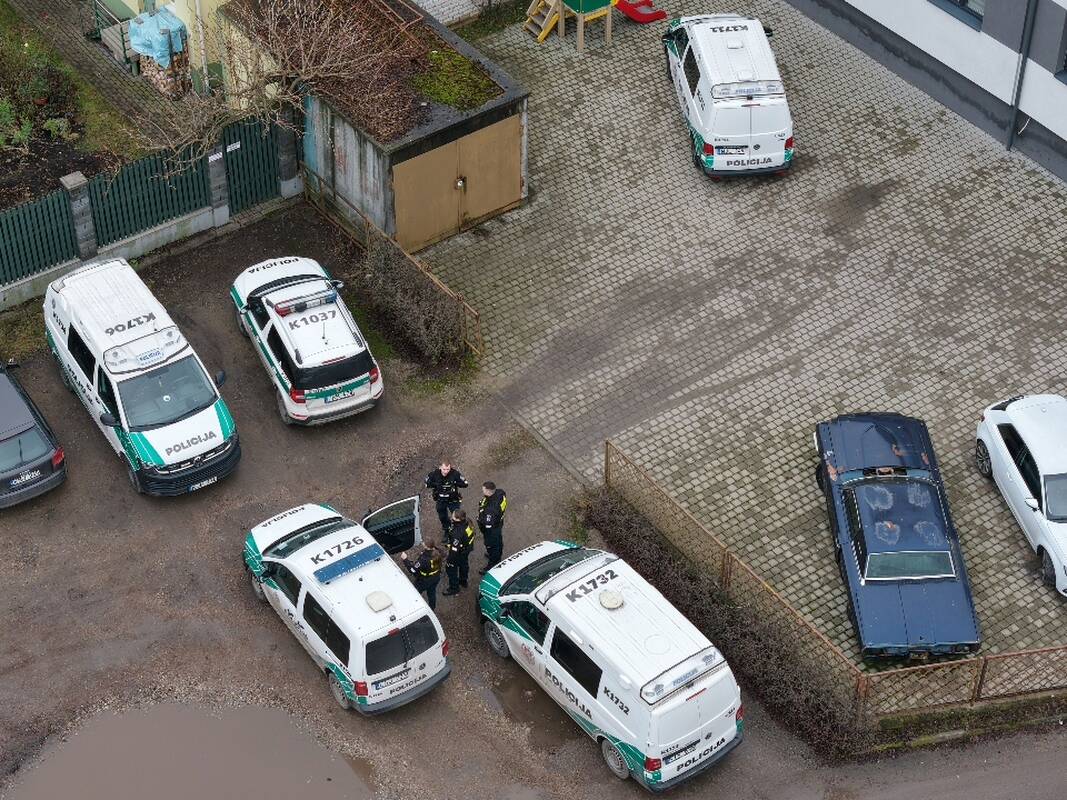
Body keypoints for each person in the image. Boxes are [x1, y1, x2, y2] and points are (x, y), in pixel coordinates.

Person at [425, 461, 469, 535]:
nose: (446, 471)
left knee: (457, 516)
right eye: (444, 469)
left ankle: (460, 530)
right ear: (440, 468)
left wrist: (455, 483)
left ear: (450, 468)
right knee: (442, 517)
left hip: (453, 500)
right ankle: (447, 530)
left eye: (448, 469)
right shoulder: (434, 474)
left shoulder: (455, 474)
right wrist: (436, 484)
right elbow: (426, 483)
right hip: (440, 500)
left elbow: (465, 484)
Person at [401, 539, 443, 611]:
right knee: (432, 593)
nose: (422, 542)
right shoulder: (438, 552)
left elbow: (412, 570)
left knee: (415, 593)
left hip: (424, 581)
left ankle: (413, 608)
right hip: (436, 577)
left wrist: (405, 560)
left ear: (426, 546)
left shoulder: (424, 560)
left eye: (424, 542)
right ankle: (432, 608)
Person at [442, 509, 475, 596]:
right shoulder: (468, 522)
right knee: (464, 565)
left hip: (459, 553)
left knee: (451, 570)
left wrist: (449, 561)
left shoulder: (457, 533)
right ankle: (463, 581)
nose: (451, 517)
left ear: (458, 519)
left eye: (453, 516)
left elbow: (454, 550)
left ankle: (454, 588)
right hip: (466, 550)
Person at [477, 481, 507, 575]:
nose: (482, 491)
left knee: (491, 545)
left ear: (489, 491)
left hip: (492, 530)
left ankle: (493, 563)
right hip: (499, 523)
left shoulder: (491, 509)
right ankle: (496, 556)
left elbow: (487, 525)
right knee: (498, 542)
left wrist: (480, 520)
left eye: (483, 490)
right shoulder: (500, 493)